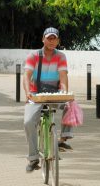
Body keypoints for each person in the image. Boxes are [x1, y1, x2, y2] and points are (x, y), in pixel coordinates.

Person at [22, 27, 73, 172]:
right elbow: (26, 76)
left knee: (70, 105)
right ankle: (33, 158)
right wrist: (27, 93)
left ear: (58, 41)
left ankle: (62, 140)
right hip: (36, 94)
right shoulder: (34, 55)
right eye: (49, 38)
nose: (51, 41)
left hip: (54, 93)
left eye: (54, 39)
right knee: (28, 121)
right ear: (43, 39)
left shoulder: (61, 56)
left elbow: (63, 76)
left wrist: (64, 92)